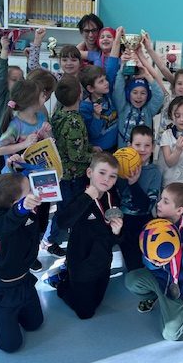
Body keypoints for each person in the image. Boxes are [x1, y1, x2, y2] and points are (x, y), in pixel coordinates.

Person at [125, 183, 183, 341]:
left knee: (171, 335)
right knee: (131, 280)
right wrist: (152, 262)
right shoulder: (152, 226)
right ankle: (155, 295)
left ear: (179, 210)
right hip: (157, 278)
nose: (158, 204)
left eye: (165, 201)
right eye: (160, 199)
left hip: (178, 286)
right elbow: (146, 256)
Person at [0, 173, 44, 352]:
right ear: (15, 203)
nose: (33, 191)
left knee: (35, 324)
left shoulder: (29, 212)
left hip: (25, 281)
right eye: (29, 190)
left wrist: (16, 168)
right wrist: (21, 208)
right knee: (11, 346)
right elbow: (2, 223)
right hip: (3, 288)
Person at [48, 152, 123, 320]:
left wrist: (117, 232)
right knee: (85, 313)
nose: (107, 179)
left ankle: (68, 278)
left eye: (112, 176)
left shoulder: (112, 198)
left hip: (103, 262)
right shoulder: (78, 195)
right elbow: (62, 222)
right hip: (80, 264)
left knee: (97, 301)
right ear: (90, 173)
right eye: (102, 173)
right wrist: (87, 197)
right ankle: (61, 284)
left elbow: (112, 238)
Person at [0, 79, 52, 272]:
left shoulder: (41, 118)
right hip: (18, 184)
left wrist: (46, 136)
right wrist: (24, 143)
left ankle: (32, 253)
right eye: (42, 94)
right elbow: (0, 149)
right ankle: (18, 255)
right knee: (21, 221)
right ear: (31, 101)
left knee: (38, 220)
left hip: (38, 178)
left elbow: (46, 145)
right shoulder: (16, 125)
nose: (45, 96)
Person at [41, 75, 92, 257]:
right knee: (67, 211)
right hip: (72, 176)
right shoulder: (74, 121)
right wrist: (94, 156)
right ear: (80, 95)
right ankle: (49, 240)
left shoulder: (59, 113)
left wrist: (90, 148)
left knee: (65, 208)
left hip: (62, 173)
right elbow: (76, 154)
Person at [117, 125, 162, 271]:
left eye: (147, 145)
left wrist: (133, 183)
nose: (142, 149)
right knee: (131, 264)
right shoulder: (120, 169)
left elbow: (146, 206)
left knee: (144, 263)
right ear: (129, 145)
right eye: (137, 145)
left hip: (143, 222)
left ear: (153, 147)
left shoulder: (155, 172)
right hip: (123, 223)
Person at [113, 49, 164, 148]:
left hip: (143, 152)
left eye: (143, 93)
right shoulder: (122, 107)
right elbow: (118, 88)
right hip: (124, 152)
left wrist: (147, 75)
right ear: (128, 94)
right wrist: (122, 69)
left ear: (148, 95)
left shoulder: (148, 110)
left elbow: (159, 95)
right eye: (135, 92)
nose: (139, 96)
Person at [0, 34, 24, 178]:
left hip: (18, 145)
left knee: (16, 176)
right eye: (14, 79)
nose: (19, 82)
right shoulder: (2, 95)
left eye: (21, 79)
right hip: (2, 144)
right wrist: (4, 50)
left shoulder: (24, 98)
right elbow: (0, 76)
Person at [79, 64, 119, 152]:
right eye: (101, 81)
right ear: (90, 88)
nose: (106, 83)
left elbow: (111, 69)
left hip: (117, 145)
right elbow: (93, 134)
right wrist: (96, 116)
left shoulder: (107, 94)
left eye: (105, 79)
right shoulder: (84, 108)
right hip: (102, 150)